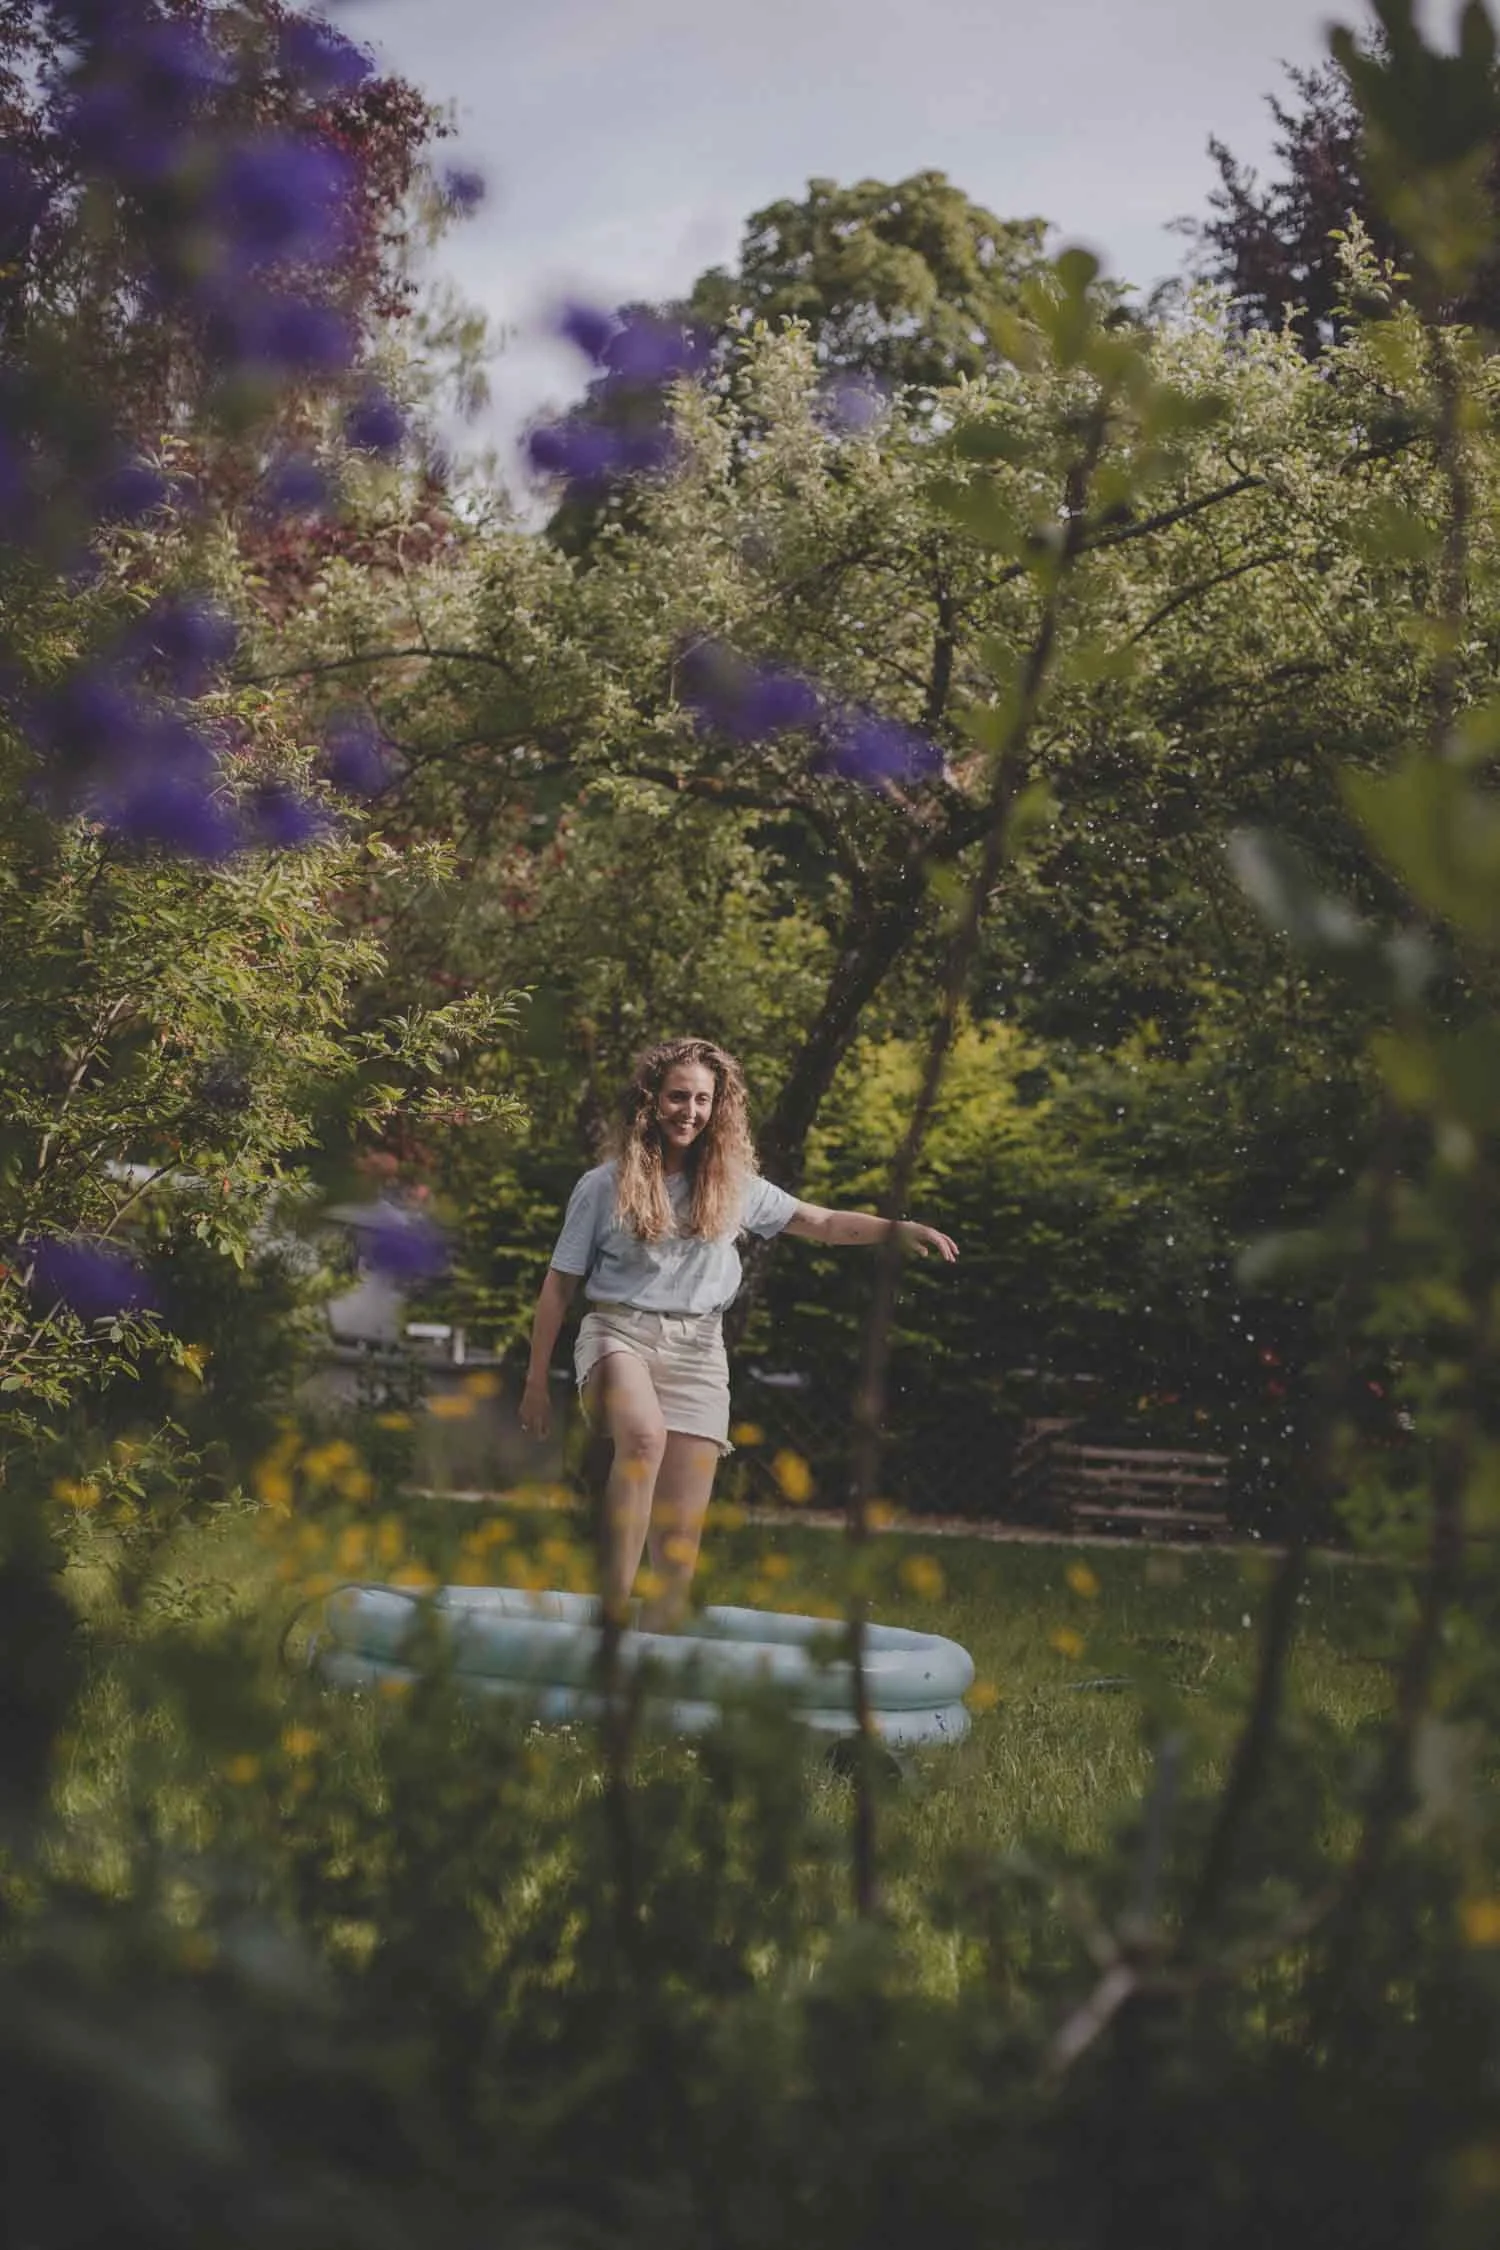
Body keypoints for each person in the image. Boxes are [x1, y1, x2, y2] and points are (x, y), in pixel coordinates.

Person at [519, 1036, 957, 1629]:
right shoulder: (603, 1185)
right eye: (677, 1097)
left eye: (702, 1100)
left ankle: (660, 1646)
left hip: (700, 1350)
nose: (689, 1112)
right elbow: (559, 1287)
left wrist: (896, 1228)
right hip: (618, 1333)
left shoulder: (734, 1185)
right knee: (643, 1438)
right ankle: (612, 1619)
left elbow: (821, 1223)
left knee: (679, 1533)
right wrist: (536, 1382)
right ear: (650, 1100)